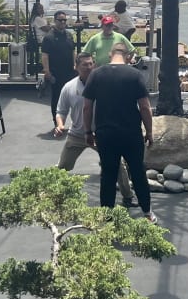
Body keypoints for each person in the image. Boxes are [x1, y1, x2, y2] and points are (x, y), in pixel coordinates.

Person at [82, 43, 156, 223]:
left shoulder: (96, 74)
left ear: (110, 55)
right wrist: (149, 132)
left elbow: (87, 107)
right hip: (131, 133)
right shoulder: (135, 75)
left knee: (108, 174)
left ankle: (106, 216)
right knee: (138, 172)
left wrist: (88, 132)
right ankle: (147, 213)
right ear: (128, 56)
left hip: (105, 133)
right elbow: (145, 107)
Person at [55, 52, 139, 208]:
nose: (88, 67)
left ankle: (128, 196)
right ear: (76, 67)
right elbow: (61, 111)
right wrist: (60, 125)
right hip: (77, 134)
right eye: (84, 64)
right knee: (62, 167)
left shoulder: (104, 84)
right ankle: (53, 194)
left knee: (118, 166)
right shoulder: (69, 87)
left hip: (102, 134)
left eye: (91, 63)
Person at [41, 10, 76, 130]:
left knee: (72, 97)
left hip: (69, 72)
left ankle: (73, 122)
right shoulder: (49, 37)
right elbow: (45, 55)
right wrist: (47, 71)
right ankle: (57, 123)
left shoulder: (69, 35)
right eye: (60, 20)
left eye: (64, 20)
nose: (62, 22)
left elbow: (73, 51)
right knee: (56, 98)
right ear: (55, 21)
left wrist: (75, 65)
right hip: (55, 72)